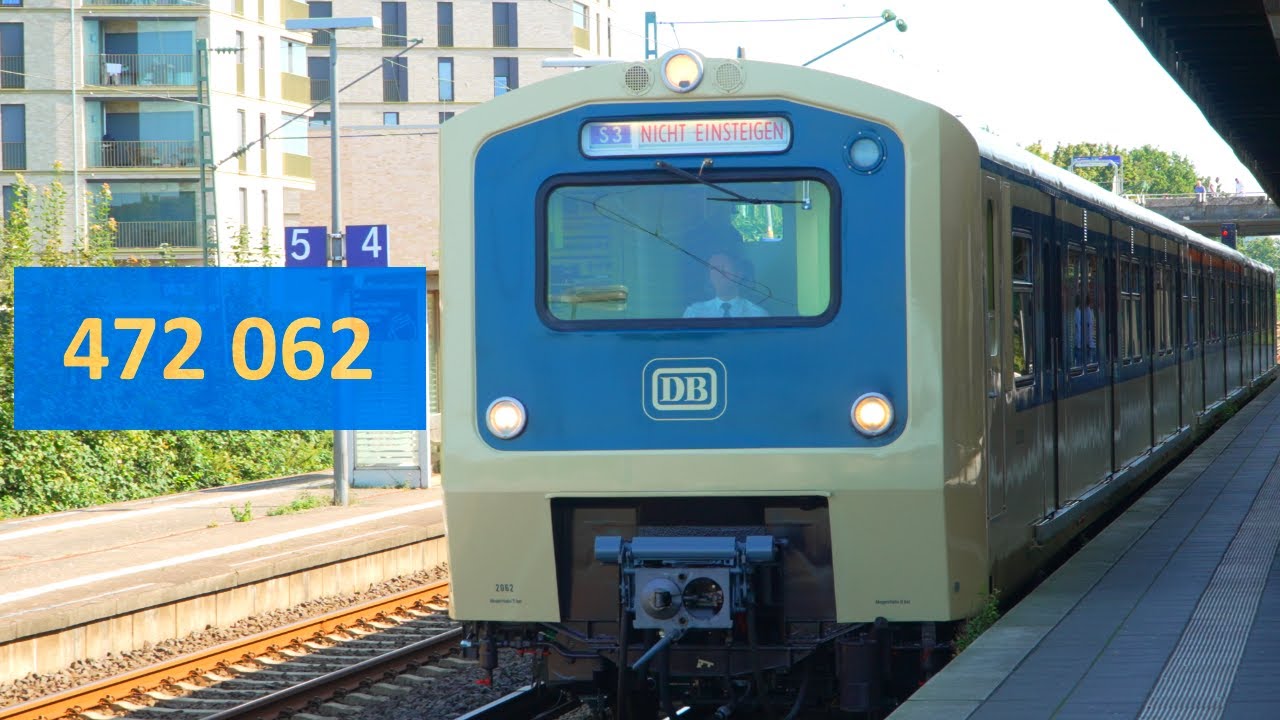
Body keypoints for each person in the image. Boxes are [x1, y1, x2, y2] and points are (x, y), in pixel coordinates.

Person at [683, 252, 768, 318]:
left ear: (739, 274)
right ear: (709, 278)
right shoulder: (694, 313)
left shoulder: (757, 314)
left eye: (723, 267)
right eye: (713, 268)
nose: (719, 273)